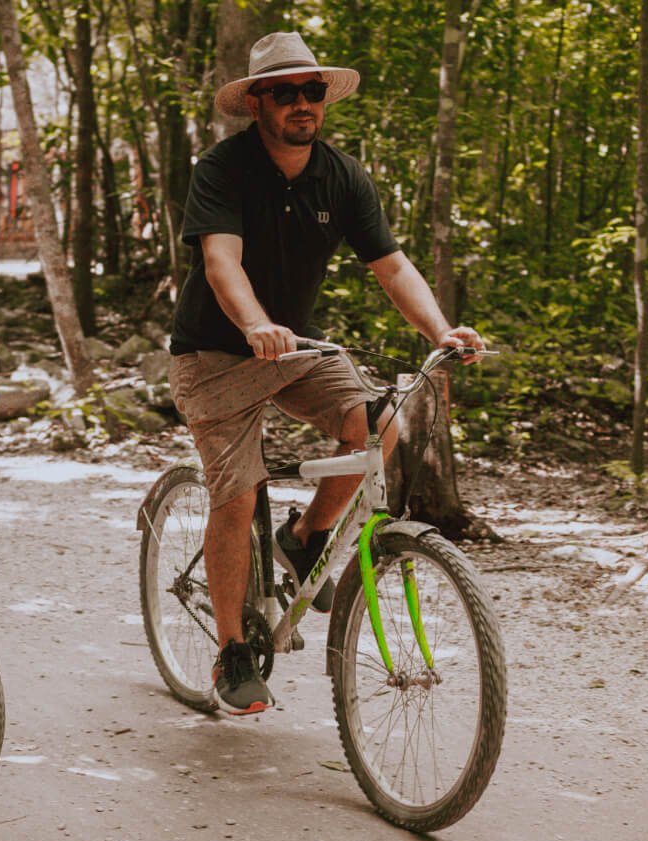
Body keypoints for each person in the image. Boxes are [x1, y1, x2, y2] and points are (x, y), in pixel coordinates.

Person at [168, 31, 485, 714]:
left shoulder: (342, 176)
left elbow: (392, 266)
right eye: (286, 92)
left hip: (295, 350)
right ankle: (231, 652)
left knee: (382, 423)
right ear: (258, 103)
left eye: (312, 90)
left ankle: (306, 536)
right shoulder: (224, 169)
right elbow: (222, 262)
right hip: (215, 356)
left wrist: (442, 329)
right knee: (236, 493)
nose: (302, 103)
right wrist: (254, 324)